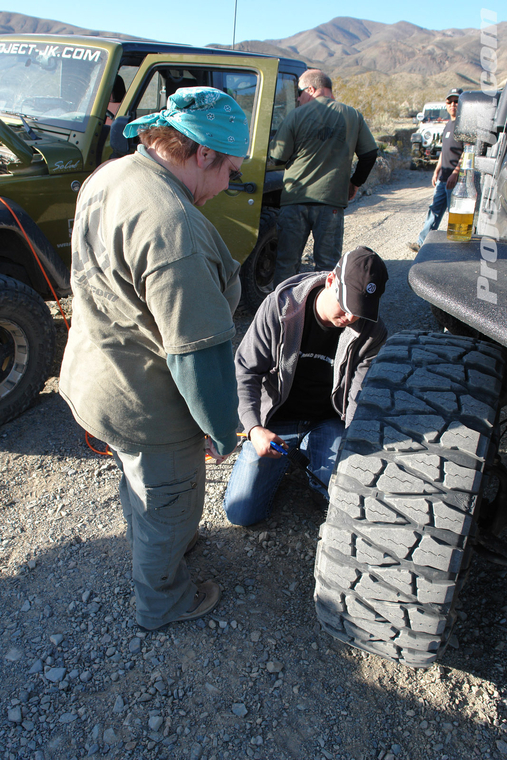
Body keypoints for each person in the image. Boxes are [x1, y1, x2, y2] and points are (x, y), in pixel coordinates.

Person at [59, 86, 250, 630]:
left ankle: (166, 538)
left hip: (97, 372)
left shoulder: (113, 174)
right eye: (228, 172)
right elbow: (198, 354)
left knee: (142, 481)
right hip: (146, 398)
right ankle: (163, 599)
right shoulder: (175, 228)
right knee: (168, 497)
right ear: (203, 154)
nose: (225, 186)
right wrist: (220, 430)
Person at [223, 246, 388, 527]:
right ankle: (290, 458)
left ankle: (314, 458)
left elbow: (361, 396)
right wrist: (253, 428)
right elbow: (245, 371)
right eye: (346, 306)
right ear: (331, 281)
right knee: (241, 514)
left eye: (359, 310)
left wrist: (354, 445)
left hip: (328, 421)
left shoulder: (372, 331)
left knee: (343, 498)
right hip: (275, 423)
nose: (350, 317)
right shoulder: (280, 308)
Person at [269, 69, 378, 287]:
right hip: (331, 203)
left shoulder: (295, 115)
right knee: (327, 266)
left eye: (299, 93)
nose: (298, 98)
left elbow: (277, 157)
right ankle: (321, 317)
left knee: (287, 264)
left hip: (295, 200)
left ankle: (283, 313)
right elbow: (369, 154)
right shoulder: (352, 115)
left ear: (311, 89)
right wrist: (355, 182)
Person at [408, 88, 464, 252]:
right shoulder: (447, 125)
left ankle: (459, 249)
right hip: (442, 178)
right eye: (450, 102)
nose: (453, 105)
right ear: (446, 105)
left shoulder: (464, 127)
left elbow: (467, 152)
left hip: (456, 180)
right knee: (434, 211)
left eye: (456, 101)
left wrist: (456, 172)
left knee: (455, 214)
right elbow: (444, 152)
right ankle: (422, 243)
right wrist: (436, 170)